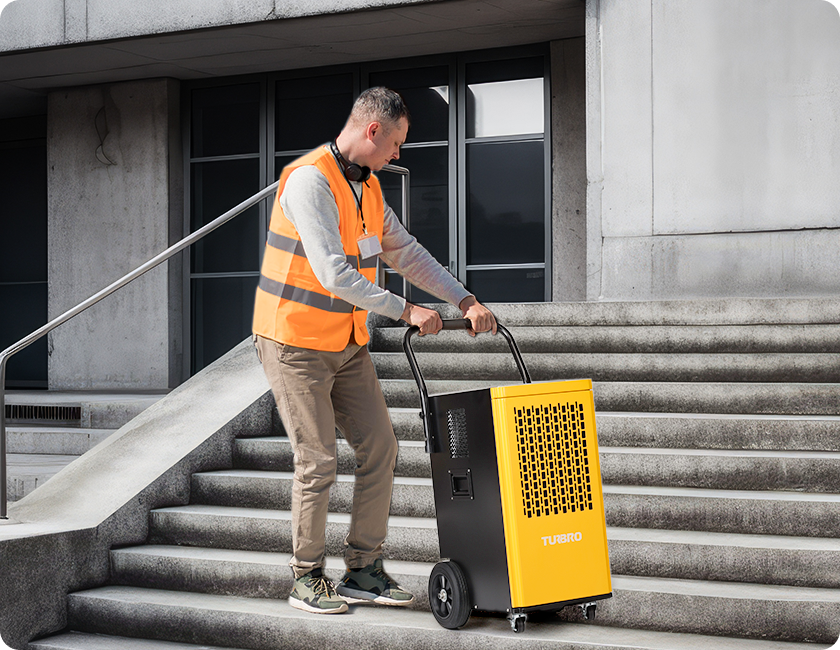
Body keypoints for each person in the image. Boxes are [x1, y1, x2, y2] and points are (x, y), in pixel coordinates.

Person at [252, 86, 496, 615]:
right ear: (373, 131)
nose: (398, 155)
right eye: (397, 143)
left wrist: (464, 297)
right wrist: (407, 311)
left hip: (345, 343)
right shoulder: (310, 181)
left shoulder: (369, 190)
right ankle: (305, 577)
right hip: (293, 341)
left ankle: (362, 569)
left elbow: (406, 252)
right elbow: (333, 274)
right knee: (317, 460)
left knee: (380, 448)